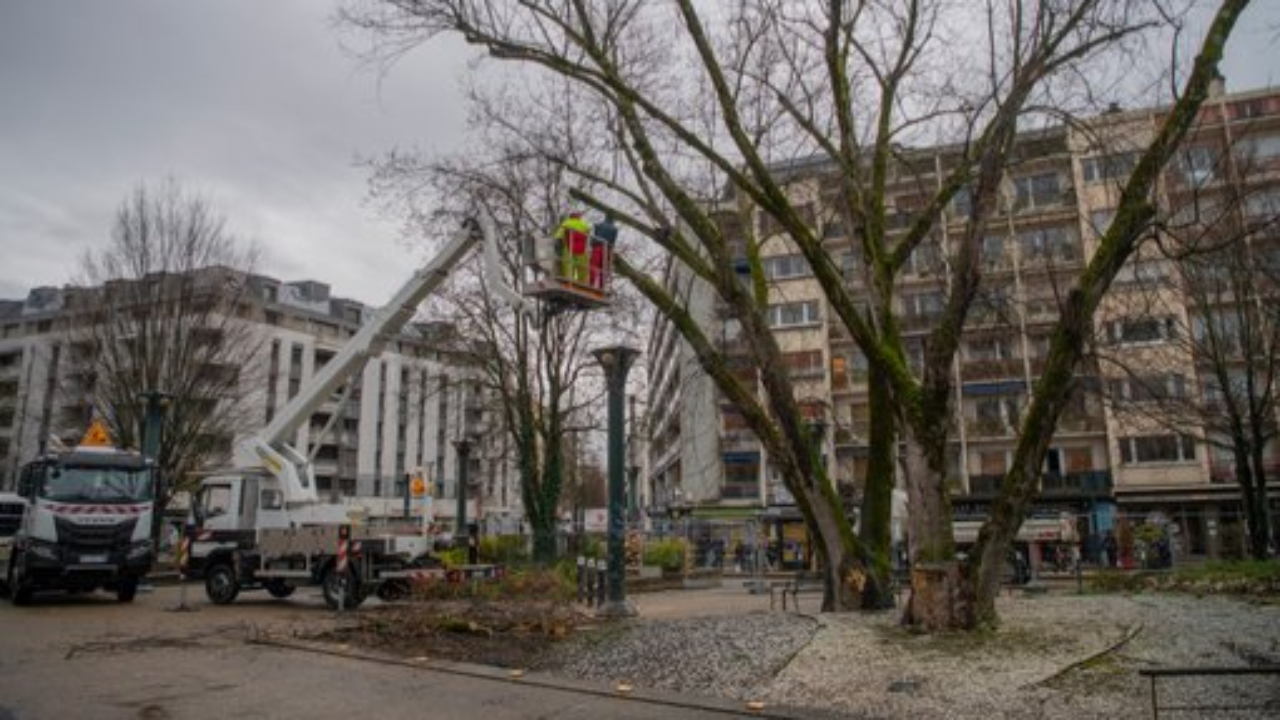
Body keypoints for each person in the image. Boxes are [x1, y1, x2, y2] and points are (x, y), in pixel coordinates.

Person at [554, 212, 591, 284]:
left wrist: (558, 250)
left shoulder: (566, 224)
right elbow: (588, 234)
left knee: (568, 266)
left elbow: (558, 237)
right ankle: (582, 283)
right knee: (582, 268)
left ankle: (569, 281)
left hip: (568, 248)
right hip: (582, 250)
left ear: (570, 217)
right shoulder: (584, 225)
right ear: (578, 217)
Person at [589, 214, 619, 291]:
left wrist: (591, 245)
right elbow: (613, 242)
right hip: (607, 249)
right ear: (613, 221)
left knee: (594, 265)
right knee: (604, 268)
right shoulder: (615, 229)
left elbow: (594, 236)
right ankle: (601, 287)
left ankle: (590, 284)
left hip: (597, 247)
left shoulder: (597, 225)